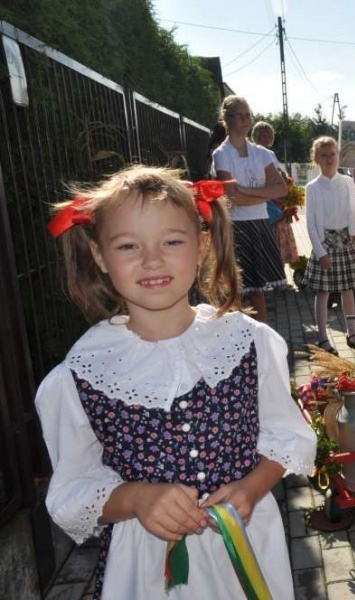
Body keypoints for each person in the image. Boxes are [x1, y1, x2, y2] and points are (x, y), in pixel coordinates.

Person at [36, 165, 316, 599]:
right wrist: (136, 498)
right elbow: (74, 490)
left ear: (201, 245)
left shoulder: (248, 342)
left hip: (244, 547)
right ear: (99, 256)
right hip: (148, 566)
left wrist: (251, 487)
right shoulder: (83, 373)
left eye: (171, 241)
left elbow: (286, 436)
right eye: (128, 245)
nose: (152, 259)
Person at [213, 95, 288, 322]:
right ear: (226, 119)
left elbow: (281, 189)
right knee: (235, 288)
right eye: (240, 116)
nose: (246, 120)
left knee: (258, 292)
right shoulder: (221, 154)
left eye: (248, 115)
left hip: (260, 224)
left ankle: (261, 334)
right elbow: (232, 198)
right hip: (235, 226)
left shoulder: (262, 153)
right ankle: (237, 334)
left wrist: (246, 190)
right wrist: (262, 194)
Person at [301, 136, 355, 353]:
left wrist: (354, 235)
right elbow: (310, 223)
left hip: (346, 242)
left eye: (333, 154)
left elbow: (354, 208)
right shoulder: (312, 187)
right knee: (323, 293)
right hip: (325, 245)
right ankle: (322, 338)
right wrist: (320, 252)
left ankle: (352, 332)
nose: (329, 158)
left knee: (348, 290)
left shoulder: (347, 182)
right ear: (316, 158)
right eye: (324, 155)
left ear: (338, 156)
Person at [251, 120, 300, 267]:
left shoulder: (271, 154)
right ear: (255, 136)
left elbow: (280, 175)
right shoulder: (251, 152)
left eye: (267, 136)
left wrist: (288, 188)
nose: (264, 139)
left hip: (277, 201)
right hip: (263, 200)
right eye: (261, 136)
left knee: (279, 239)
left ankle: (279, 270)